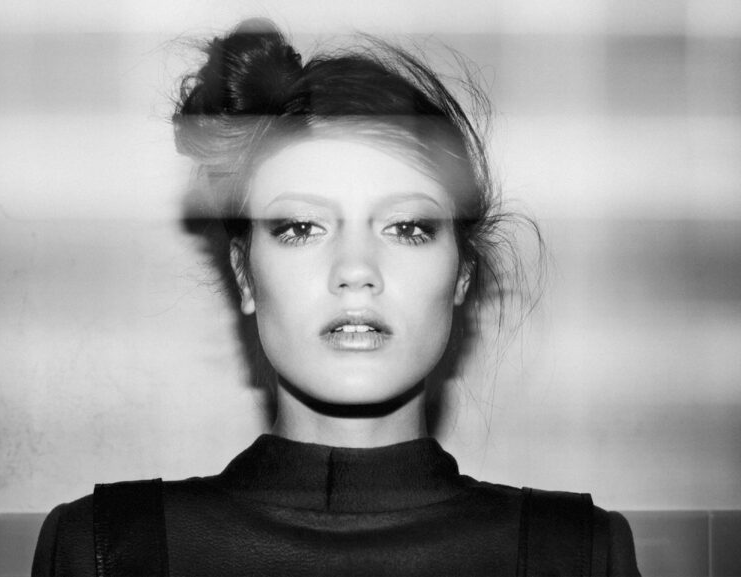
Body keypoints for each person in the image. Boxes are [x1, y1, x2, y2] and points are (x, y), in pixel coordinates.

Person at [32, 19, 640, 576]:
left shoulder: (576, 553)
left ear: (462, 274)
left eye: (407, 228)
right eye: (301, 227)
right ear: (244, 275)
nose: (355, 270)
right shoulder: (106, 550)